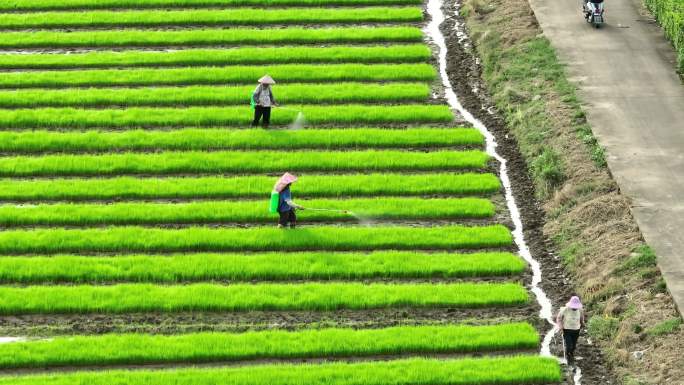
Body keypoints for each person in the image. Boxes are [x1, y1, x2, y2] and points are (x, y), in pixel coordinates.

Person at [556, 296, 586, 365]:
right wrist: (560, 326)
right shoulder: (565, 310)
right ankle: (568, 354)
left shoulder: (580, 310)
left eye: (576, 307)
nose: (574, 308)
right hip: (567, 330)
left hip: (576, 330)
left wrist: (583, 324)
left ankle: (571, 354)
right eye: (573, 307)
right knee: (569, 345)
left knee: (574, 345)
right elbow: (559, 318)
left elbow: (581, 319)